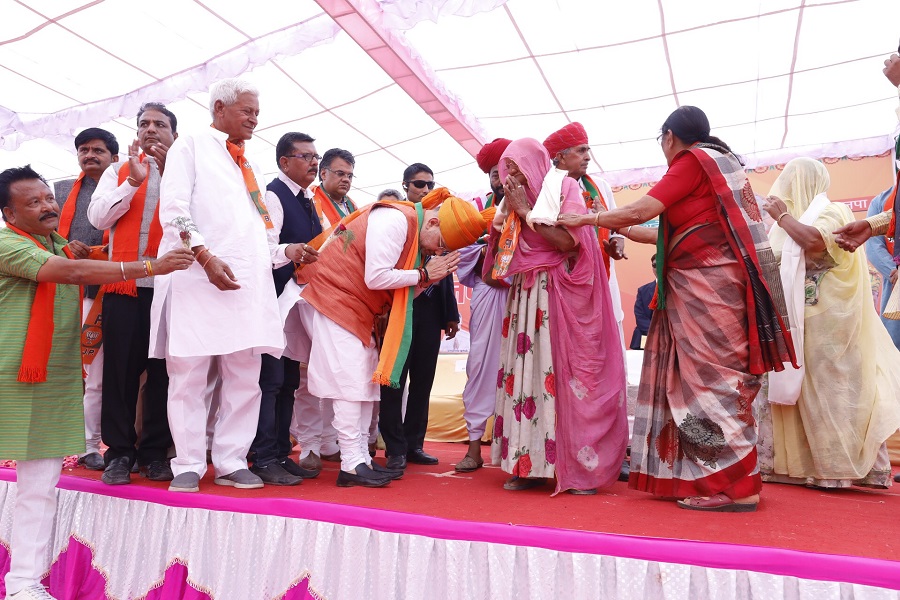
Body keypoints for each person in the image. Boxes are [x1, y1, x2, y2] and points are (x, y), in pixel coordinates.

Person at [560, 106, 796, 511]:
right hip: (713, 289)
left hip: (708, 290)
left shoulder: (691, 161)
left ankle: (735, 487)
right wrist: (610, 226)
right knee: (709, 383)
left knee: (712, 383)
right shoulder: (717, 165)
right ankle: (725, 478)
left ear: (669, 137)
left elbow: (641, 211)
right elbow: (654, 230)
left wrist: (586, 218)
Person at [0, 165, 192, 600]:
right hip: (8, 377)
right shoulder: (8, 243)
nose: (48, 206)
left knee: (39, 488)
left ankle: (23, 584)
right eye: (32, 203)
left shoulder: (60, 244)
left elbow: (80, 260)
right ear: (9, 215)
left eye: (47, 197)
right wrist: (149, 265)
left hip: (50, 379)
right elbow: (70, 273)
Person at [291, 192, 488, 486]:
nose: (438, 252)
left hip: (359, 306)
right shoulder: (395, 219)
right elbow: (377, 277)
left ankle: (359, 459)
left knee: (365, 383)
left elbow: (406, 287)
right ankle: (350, 464)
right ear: (433, 222)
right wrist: (423, 273)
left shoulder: (420, 234)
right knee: (349, 383)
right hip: (331, 295)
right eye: (441, 245)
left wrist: (428, 278)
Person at [150, 78, 287, 493]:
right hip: (196, 275)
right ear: (220, 108)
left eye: (257, 113)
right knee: (189, 374)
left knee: (245, 373)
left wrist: (283, 253)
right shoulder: (191, 144)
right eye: (247, 111)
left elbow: (259, 228)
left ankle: (230, 460)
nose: (254, 119)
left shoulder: (252, 163)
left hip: (247, 283)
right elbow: (173, 210)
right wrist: (206, 256)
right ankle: (188, 463)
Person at [488, 138, 628, 495]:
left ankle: (580, 468)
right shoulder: (510, 197)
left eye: (517, 166)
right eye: (508, 169)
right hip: (524, 297)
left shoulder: (563, 188)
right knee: (525, 378)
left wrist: (523, 212)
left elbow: (569, 243)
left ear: (536, 163)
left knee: (565, 379)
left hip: (554, 298)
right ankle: (526, 465)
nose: (512, 174)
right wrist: (507, 215)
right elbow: (500, 241)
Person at [758, 158, 900, 488]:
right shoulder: (779, 227)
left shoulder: (832, 211)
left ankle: (839, 470)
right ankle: (788, 466)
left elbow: (813, 242)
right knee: (793, 392)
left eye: (792, 181)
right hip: (792, 321)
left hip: (829, 320)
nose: (786, 188)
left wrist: (782, 215)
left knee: (832, 392)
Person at [86, 103, 179, 486]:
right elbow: (97, 219)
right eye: (144, 124)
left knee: (164, 374)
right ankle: (120, 454)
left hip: (172, 289)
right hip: (123, 286)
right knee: (120, 373)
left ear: (175, 134)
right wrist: (133, 182)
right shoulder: (117, 170)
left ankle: (155, 453)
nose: (151, 130)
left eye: (160, 124)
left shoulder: (188, 170)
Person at [250, 132, 323, 485]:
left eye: (316, 157)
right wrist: (290, 251)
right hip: (273, 302)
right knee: (271, 381)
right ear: (284, 161)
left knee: (290, 379)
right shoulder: (273, 196)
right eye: (306, 156)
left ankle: (280, 452)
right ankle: (262, 457)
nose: (314, 163)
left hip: (297, 305)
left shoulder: (308, 199)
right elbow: (264, 248)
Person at [380, 163, 460, 471]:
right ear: (405, 186)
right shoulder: (400, 221)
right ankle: (394, 448)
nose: (424, 189)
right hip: (401, 309)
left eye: (429, 184)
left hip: (430, 313)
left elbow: (446, 268)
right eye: (418, 184)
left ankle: (414, 444)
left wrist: (450, 315)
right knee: (394, 380)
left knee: (423, 382)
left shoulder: (438, 221)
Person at [54, 127, 120, 472]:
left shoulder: (128, 188)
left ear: (114, 157)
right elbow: (47, 238)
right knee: (73, 372)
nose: (89, 155)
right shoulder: (62, 191)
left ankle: (93, 443)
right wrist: (68, 247)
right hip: (72, 293)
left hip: (120, 291)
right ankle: (80, 443)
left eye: (98, 150)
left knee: (100, 376)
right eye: (84, 149)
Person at [455, 139, 511, 472]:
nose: (500, 180)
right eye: (494, 173)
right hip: (489, 293)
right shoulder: (476, 208)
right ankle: (474, 446)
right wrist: (486, 242)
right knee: (480, 366)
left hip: (526, 293)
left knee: (524, 367)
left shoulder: (532, 205)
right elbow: (460, 252)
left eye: (505, 172)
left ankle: (517, 450)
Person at [865, 188, 900, 348]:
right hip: (895, 284)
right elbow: (873, 247)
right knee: (894, 346)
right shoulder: (881, 202)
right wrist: (895, 272)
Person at [630, 254, 657, 350]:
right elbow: (640, 316)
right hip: (645, 335)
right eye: (654, 265)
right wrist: (655, 334)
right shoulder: (643, 290)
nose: (657, 268)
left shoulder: (677, 288)